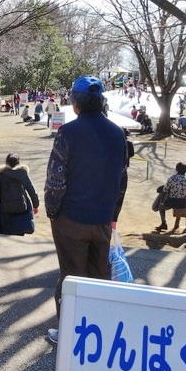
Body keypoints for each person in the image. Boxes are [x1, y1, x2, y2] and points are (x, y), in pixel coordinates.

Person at [44, 76, 127, 345]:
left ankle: (69, 333)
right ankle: (97, 332)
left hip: (71, 218)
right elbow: (121, 180)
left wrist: (52, 210)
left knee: (71, 276)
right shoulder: (118, 133)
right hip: (102, 218)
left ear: (75, 102)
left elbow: (56, 179)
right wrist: (113, 216)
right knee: (98, 275)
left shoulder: (68, 133)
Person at [0, 153, 39, 235]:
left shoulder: (1, 175)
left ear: (6, 162)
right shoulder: (23, 174)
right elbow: (32, 191)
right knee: (19, 232)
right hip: (21, 208)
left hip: (3, 211)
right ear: (19, 163)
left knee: (4, 235)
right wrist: (35, 205)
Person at [155, 162, 186, 232]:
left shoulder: (172, 178)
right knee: (180, 201)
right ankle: (177, 223)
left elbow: (165, 189)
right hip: (184, 203)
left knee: (161, 207)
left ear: (176, 169)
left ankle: (164, 223)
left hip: (172, 202)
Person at [112, 129, 136, 228]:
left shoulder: (115, 142)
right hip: (125, 165)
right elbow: (132, 154)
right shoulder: (129, 143)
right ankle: (113, 224)